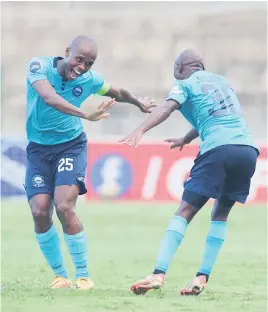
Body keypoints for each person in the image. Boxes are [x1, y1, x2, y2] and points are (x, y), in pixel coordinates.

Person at [119, 48, 259, 296]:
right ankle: (201, 277)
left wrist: (141, 129)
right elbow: (216, 115)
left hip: (218, 149)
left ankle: (158, 273)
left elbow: (166, 108)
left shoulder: (184, 83)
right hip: (247, 150)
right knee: (220, 213)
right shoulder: (222, 82)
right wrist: (186, 137)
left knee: (185, 211)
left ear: (181, 67)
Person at [25, 35, 155, 290]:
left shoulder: (89, 80)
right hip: (38, 151)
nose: (82, 67)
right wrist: (85, 114)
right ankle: (60, 276)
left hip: (70, 147)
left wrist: (139, 102)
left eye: (89, 63)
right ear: (66, 52)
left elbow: (118, 92)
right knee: (40, 211)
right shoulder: (39, 67)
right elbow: (49, 98)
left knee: (63, 206)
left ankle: (83, 276)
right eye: (79, 59)